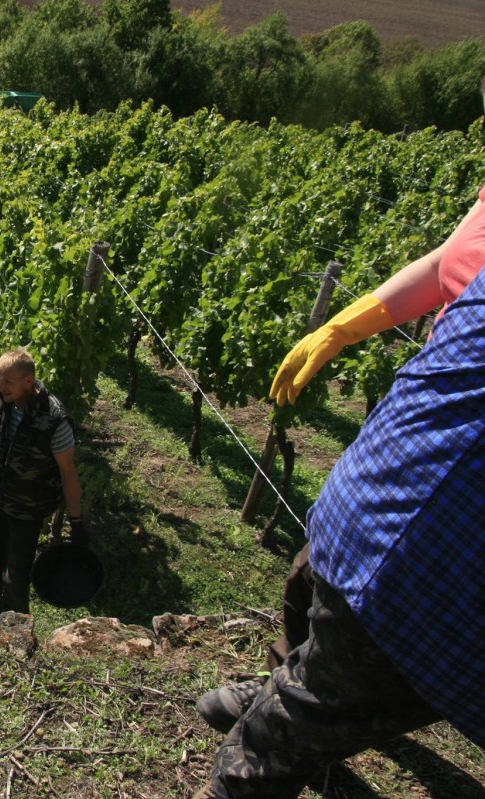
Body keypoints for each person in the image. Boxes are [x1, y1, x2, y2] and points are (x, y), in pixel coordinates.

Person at [199, 176, 485, 733]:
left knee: (391, 613)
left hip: (461, 470)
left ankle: (302, 718)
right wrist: (342, 327)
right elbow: (444, 263)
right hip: (413, 443)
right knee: (313, 571)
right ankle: (285, 679)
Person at [0, 349, 84, 615]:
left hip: (28, 506)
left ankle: (14, 619)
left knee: (17, 569)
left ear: (28, 381)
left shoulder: (55, 419)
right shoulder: (3, 399)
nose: (0, 388)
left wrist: (76, 521)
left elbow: (68, 472)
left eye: (7, 382)